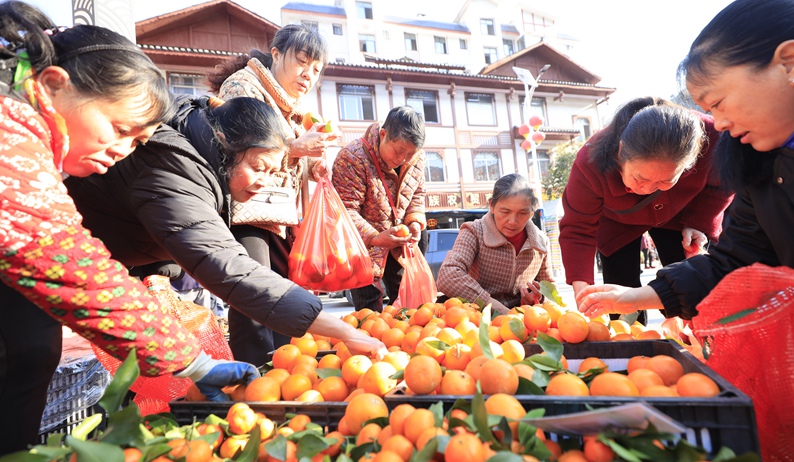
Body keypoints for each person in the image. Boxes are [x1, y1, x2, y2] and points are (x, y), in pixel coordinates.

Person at [576, 0, 794, 444]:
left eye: (720, 102)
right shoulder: (761, 159)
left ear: (790, 62)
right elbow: (735, 261)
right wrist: (639, 296)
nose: (720, 124)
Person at [0, 2, 257, 454]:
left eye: (137, 141)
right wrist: (191, 361)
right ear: (56, 84)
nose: (122, 151)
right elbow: (76, 269)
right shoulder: (11, 142)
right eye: (118, 129)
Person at [64, 95, 386, 368]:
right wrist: (344, 332)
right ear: (228, 146)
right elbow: (231, 269)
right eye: (258, 167)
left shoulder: (196, 158)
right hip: (59, 254)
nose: (264, 181)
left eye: (272, 172)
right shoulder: (175, 167)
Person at [207, 24, 340, 362]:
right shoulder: (242, 86)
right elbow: (243, 150)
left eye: (316, 70)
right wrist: (296, 146)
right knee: (253, 294)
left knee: (281, 294)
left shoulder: (291, 109)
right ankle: (257, 378)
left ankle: (284, 369)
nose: (308, 75)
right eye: (302, 62)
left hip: (277, 214)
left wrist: (314, 165)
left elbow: (287, 159)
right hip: (247, 207)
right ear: (276, 54)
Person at [558, 97, 733, 323]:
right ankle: (632, 345)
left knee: (691, 284)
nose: (647, 189)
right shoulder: (589, 161)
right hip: (617, 222)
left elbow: (723, 184)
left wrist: (699, 222)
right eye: (639, 178)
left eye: (665, 181)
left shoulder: (713, 139)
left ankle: (690, 336)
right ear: (621, 152)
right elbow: (577, 228)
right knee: (620, 293)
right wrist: (583, 290)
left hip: (680, 215)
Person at [331, 106, 427, 312]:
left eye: (411, 153)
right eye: (399, 151)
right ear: (383, 134)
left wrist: (415, 222)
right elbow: (344, 210)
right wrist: (375, 237)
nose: (404, 159)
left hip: (399, 247)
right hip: (363, 249)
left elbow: (416, 196)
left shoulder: (417, 159)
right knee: (369, 315)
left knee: (410, 312)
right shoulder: (352, 157)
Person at [436, 173, 553, 314]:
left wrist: (538, 298)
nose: (512, 221)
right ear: (491, 205)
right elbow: (448, 275)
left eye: (522, 213)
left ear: (532, 211)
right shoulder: (474, 232)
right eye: (505, 211)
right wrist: (492, 305)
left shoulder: (540, 243)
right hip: (474, 317)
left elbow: (550, 289)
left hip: (520, 322)